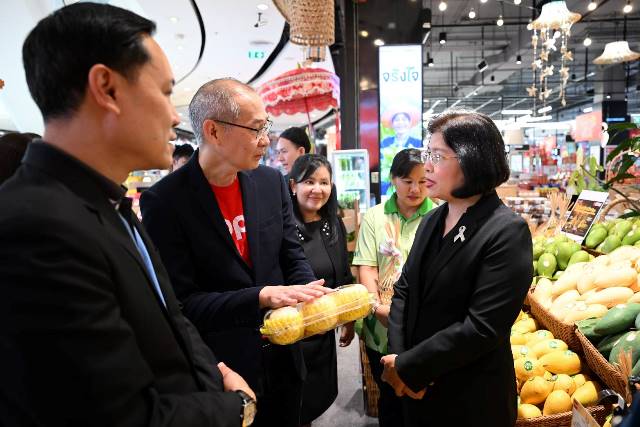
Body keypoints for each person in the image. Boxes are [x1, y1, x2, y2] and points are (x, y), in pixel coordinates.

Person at [0, 4, 255, 427]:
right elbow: (118, 415)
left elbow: (171, 319)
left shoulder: (105, 200)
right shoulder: (37, 226)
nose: (175, 115)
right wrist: (237, 408)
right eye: (165, 92)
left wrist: (214, 375)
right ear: (107, 88)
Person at [140, 78, 329, 427]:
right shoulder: (165, 201)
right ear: (213, 131)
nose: (266, 140)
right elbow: (181, 304)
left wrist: (310, 295)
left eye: (266, 127)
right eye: (256, 129)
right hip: (226, 371)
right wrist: (260, 297)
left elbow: (291, 254)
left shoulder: (270, 182)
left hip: (285, 360)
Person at [382, 110, 533, 426]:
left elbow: (482, 327)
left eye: (438, 156)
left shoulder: (506, 231)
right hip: (414, 387)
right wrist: (399, 360)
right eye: (428, 154)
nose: (426, 166)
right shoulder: (432, 219)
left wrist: (411, 368)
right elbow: (405, 290)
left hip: (469, 398)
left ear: (473, 160)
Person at [352, 148, 433, 427]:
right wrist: (376, 308)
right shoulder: (375, 217)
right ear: (393, 179)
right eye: (407, 181)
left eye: (422, 181)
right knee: (391, 400)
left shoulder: (439, 215)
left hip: (425, 328)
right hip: (381, 328)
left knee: (424, 401)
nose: (415, 189)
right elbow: (367, 267)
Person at [288, 154, 354, 426]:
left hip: (325, 330)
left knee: (315, 402)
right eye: (309, 181)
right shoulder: (283, 228)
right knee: (294, 405)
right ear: (293, 185)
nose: (317, 189)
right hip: (294, 336)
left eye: (324, 182)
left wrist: (348, 318)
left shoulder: (333, 223)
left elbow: (344, 271)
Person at [380, 108, 422, 196]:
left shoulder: (418, 143)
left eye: (404, 119)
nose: (400, 123)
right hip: (387, 184)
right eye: (397, 120)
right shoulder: (384, 142)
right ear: (392, 124)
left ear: (410, 123)